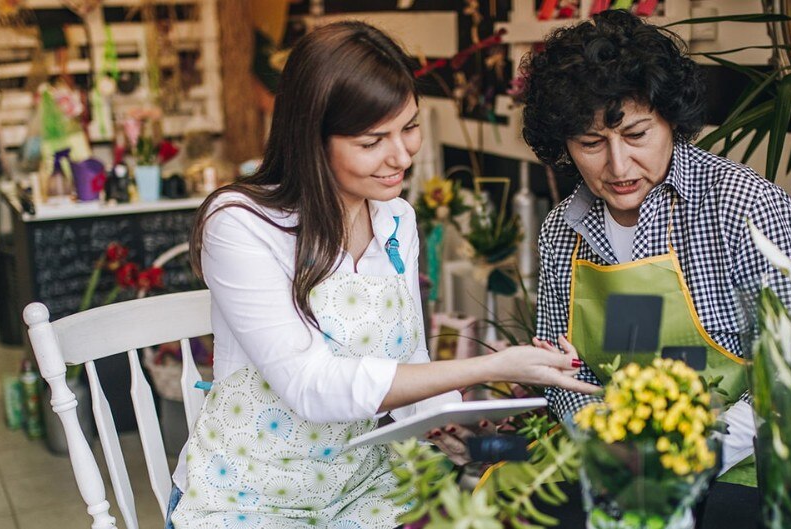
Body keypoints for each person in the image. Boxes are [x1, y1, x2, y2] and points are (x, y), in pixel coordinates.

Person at [166, 21, 598, 529]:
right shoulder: (241, 223)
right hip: (247, 501)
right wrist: (491, 367)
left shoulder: (395, 219)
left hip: (363, 492)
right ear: (312, 137)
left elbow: (408, 359)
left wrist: (444, 424)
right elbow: (310, 384)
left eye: (410, 127)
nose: (402, 156)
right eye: (373, 140)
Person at [518, 8, 791, 522]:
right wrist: (601, 445)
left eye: (636, 135)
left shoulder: (742, 205)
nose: (618, 166)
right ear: (564, 146)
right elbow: (565, 371)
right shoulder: (563, 228)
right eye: (590, 143)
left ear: (671, 121)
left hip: (743, 470)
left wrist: (690, 461)